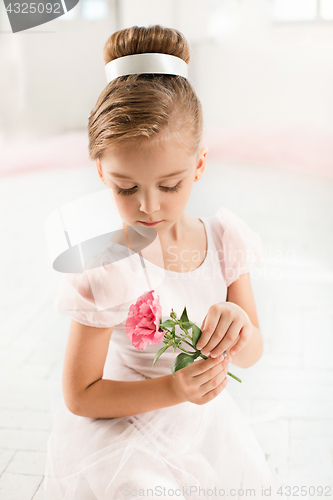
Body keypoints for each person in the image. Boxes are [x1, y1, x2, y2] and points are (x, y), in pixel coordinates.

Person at [44, 25, 283, 500]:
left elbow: (253, 352)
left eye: (169, 185)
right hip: (126, 431)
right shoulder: (106, 264)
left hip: (203, 428)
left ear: (199, 164)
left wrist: (239, 327)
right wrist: (174, 389)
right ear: (101, 173)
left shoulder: (223, 238)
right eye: (125, 188)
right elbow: (81, 394)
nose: (148, 207)